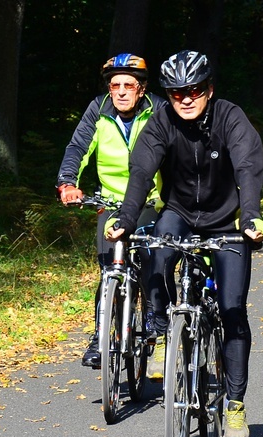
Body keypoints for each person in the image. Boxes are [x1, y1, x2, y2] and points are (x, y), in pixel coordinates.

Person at [106, 50, 263, 437]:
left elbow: (248, 166)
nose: (187, 99)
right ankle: (162, 334)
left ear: (209, 89)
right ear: (169, 96)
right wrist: (126, 219)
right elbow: (141, 171)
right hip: (178, 212)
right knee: (155, 254)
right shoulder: (161, 121)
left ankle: (234, 406)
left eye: (195, 90)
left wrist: (251, 218)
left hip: (226, 221)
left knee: (232, 311)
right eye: (178, 93)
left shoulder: (231, 117)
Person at [56, 53, 167, 368]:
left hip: (150, 201)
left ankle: (153, 325)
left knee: (151, 264)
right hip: (112, 202)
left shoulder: (159, 110)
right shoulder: (99, 110)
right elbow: (78, 148)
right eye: (114, 85)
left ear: (141, 89)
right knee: (109, 270)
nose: (119, 91)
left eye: (127, 85)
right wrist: (67, 184)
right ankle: (100, 336)